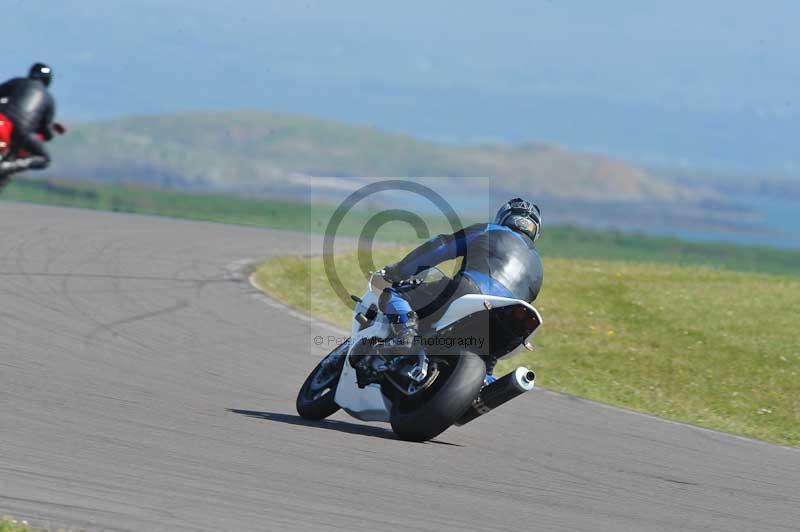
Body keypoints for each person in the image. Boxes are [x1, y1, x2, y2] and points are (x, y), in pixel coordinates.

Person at [378, 198, 544, 383]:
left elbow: (441, 247)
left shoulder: (490, 230)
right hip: (505, 319)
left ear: (504, 217)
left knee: (393, 294)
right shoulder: (538, 267)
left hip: (469, 291)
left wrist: (400, 270)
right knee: (487, 366)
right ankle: (487, 383)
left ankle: (405, 335)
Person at [0, 63, 61, 177]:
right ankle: (8, 166)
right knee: (45, 159)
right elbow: (47, 133)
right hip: (20, 132)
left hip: (2, 121)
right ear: (48, 80)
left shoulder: (17, 82)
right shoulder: (48, 99)